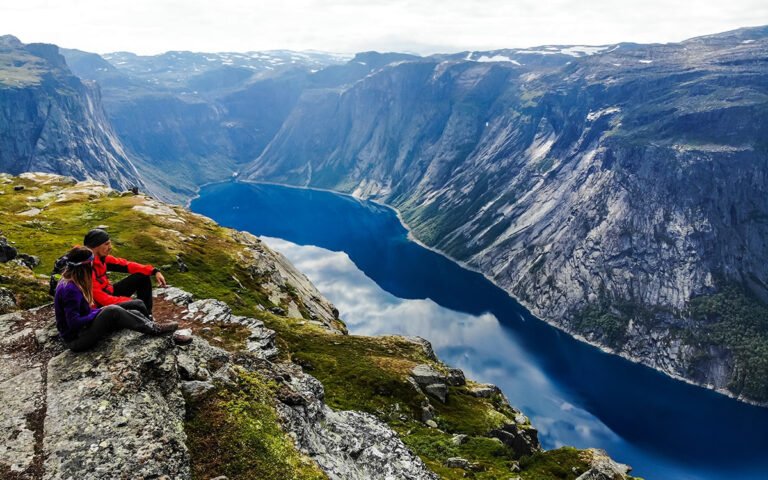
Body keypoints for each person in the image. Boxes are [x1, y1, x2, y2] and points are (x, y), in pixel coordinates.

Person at [53, 246, 183, 352]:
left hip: (86, 327)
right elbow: (74, 323)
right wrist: (99, 312)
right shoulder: (70, 288)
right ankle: (155, 330)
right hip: (77, 339)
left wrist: (98, 312)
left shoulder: (76, 281)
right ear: (85, 266)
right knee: (112, 311)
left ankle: (156, 329)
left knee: (137, 305)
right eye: (91, 262)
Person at [83, 228, 166, 315]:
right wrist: (132, 302)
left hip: (109, 292)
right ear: (95, 246)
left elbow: (126, 265)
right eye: (106, 244)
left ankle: (147, 316)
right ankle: (144, 320)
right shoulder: (85, 270)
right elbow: (103, 300)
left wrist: (154, 271)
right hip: (99, 307)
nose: (110, 247)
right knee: (136, 304)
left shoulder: (101, 258)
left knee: (142, 277)